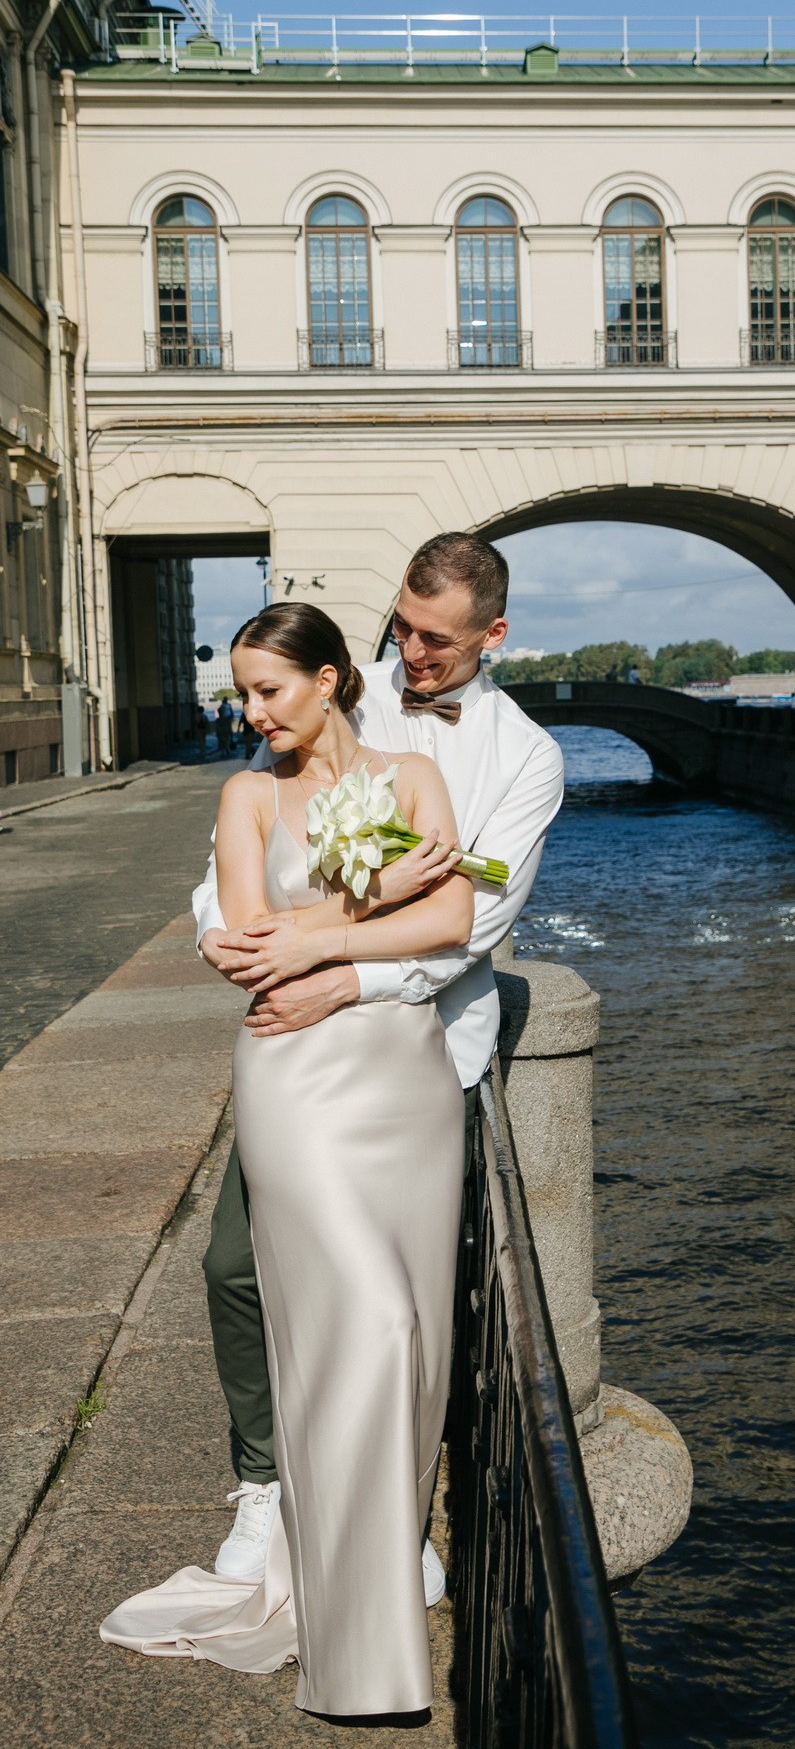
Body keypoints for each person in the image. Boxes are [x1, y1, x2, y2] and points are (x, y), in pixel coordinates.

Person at [101, 601, 479, 1714]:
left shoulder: (412, 776)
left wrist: (351, 931)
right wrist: (390, 898)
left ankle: (381, 1540)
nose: (252, 711)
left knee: (414, 1327)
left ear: (328, 681)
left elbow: (456, 917)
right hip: (295, 1076)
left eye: (271, 689)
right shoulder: (246, 795)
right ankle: (338, 1589)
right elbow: (257, 945)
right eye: (244, 691)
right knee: (372, 1315)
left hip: (403, 1079)